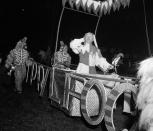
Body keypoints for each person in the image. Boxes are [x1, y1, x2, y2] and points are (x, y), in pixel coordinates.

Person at [69, 32, 114, 116]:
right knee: (80, 91)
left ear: (93, 39)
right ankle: (77, 112)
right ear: (84, 37)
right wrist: (82, 39)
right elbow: (72, 44)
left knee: (91, 92)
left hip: (92, 72)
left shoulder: (96, 49)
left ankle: (90, 112)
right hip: (82, 71)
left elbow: (100, 61)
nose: (89, 38)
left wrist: (108, 66)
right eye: (87, 36)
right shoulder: (81, 47)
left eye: (91, 37)